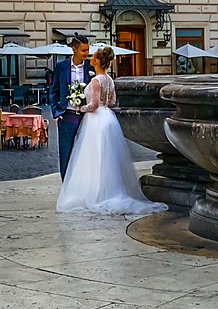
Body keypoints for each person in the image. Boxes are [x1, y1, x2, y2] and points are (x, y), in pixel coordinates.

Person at [56, 47, 167, 215]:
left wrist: (80, 107)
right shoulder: (109, 79)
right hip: (107, 117)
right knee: (107, 156)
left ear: (97, 61)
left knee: (93, 156)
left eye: (92, 57)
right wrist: (102, 105)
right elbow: (113, 101)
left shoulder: (96, 81)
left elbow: (93, 105)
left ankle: (95, 191)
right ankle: (110, 188)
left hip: (94, 119)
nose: (90, 58)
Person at [49, 35, 93, 179]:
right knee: (65, 153)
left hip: (86, 117)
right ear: (73, 50)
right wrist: (56, 111)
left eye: (88, 50)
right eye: (83, 50)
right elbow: (53, 90)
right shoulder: (61, 67)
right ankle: (66, 187)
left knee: (85, 154)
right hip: (66, 115)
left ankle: (82, 184)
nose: (86, 53)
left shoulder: (91, 67)